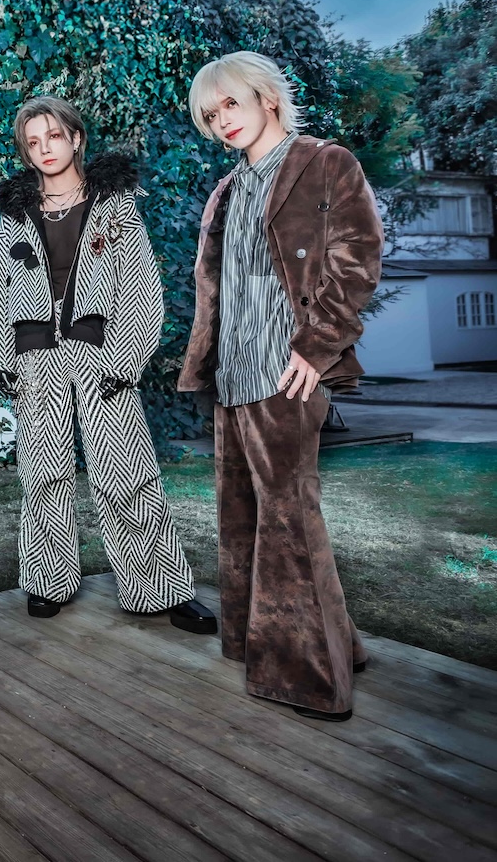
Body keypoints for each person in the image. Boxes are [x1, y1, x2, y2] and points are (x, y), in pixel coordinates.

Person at [178, 51, 382, 721]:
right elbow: (218, 288)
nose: (221, 120)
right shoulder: (227, 190)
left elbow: (357, 259)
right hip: (233, 374)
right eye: (211, 114)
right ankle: (315, 645)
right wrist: (207, 363)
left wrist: (318, 347)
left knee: (290, 518)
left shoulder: (325, 163)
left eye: (230, 103)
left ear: (266, 97)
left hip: (287, 370)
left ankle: (309, 678)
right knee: (242, 517)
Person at [0, 96, 216, 632]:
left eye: (53, 137)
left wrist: (126, 358)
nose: (45, 149)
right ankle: (47, 580)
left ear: (76, 138)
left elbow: (141, 285)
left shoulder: (115, 205)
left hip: (102, 353)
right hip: (35, 357)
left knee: (125, 471)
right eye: (33, 142)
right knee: (42, 473)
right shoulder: (16, 214)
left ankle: (162, 590)